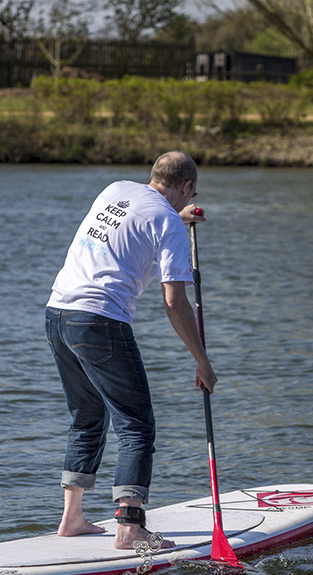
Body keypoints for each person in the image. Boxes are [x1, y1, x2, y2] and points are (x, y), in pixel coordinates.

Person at [45, 151, 217, 550]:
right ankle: (130, 528)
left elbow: (139, 223)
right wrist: (202, 361)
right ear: (187, 187)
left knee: (87, 418)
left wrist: (178, 219)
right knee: (137, 427)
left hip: (57, 314)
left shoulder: (115, 190)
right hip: (99, 321)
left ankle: (71, 519)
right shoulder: (168, 224)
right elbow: (174, 303)